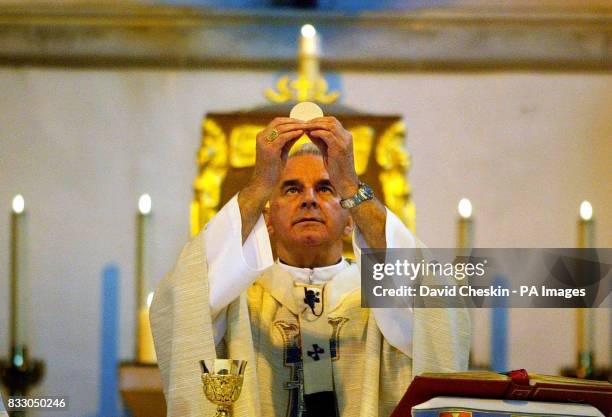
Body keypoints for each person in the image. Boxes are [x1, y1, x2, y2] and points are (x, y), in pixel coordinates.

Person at [150, 116, 470, 417]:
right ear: (268, 220)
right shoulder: (237, 302)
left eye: (326, 188)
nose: (309, 199)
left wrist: (351, 186)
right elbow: (179, 301)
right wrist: (260, 182)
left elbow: (442, 305)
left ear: (351, 223)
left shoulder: (387, 301)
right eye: (291, 189)